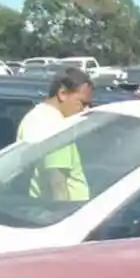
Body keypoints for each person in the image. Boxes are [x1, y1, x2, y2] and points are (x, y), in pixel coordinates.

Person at [17, 67, 93, 200]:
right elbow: (57, 184)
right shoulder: (57, 128)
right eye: (82, 103)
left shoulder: (33, 117)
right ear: (63, 93)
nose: (86, 110)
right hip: (70, 213)